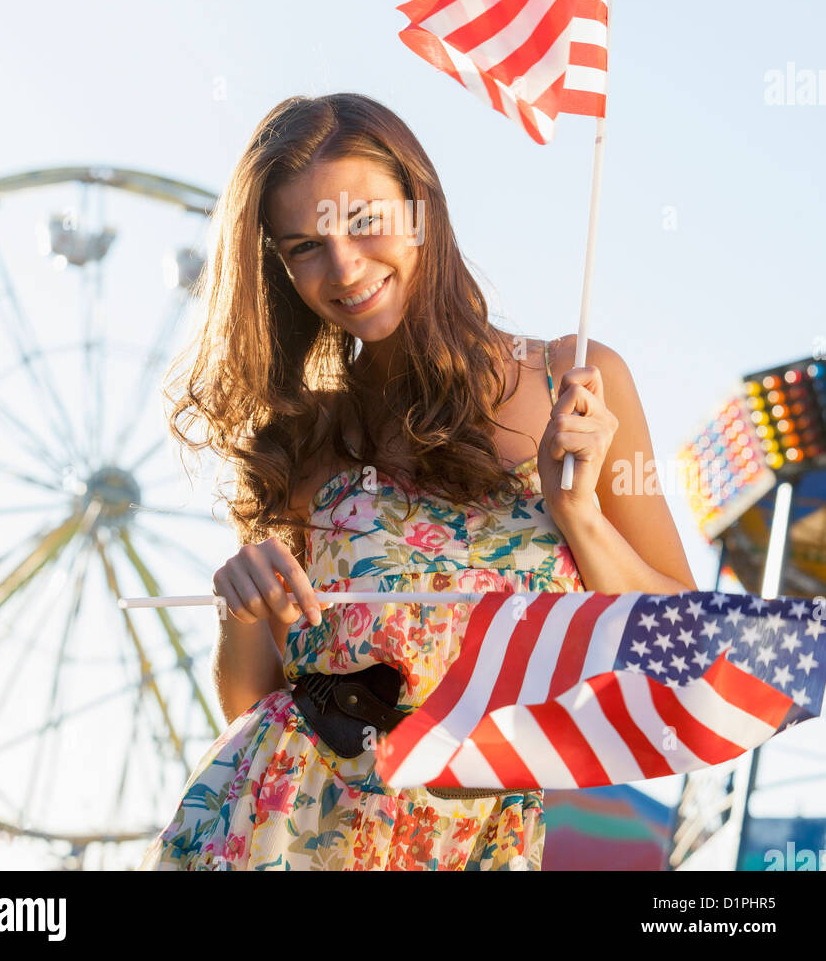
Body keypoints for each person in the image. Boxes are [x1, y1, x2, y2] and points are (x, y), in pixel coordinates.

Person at [137, 92, 696, 872]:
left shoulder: (577, 379)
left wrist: (581, 519)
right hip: (282, 827)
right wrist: (239, 603)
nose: (343, 269)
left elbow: (687, 651)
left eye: (364, 222)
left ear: (421, 206)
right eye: (303, 246)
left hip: (476, 835)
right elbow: (247, 704)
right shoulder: (301, 440)